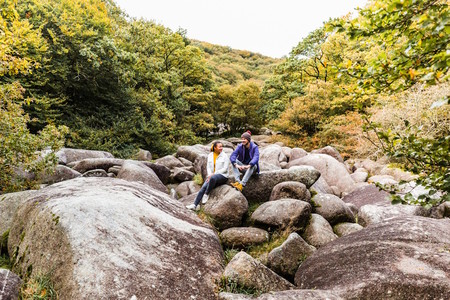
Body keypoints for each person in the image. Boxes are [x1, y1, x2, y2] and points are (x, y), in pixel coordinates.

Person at [186, 141, 229, 210]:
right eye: (219, 147)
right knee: (203, 187)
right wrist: (209, 175)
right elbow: (208, 167)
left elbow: (225, 169)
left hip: (222, 176)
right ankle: (194, 205)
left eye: (222, 146)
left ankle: (206, 193)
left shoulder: (224, 156)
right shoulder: (210, 155)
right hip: (212, 176)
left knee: (212, 179)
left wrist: (213, 174)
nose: (221, 148)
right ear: (215, 148)